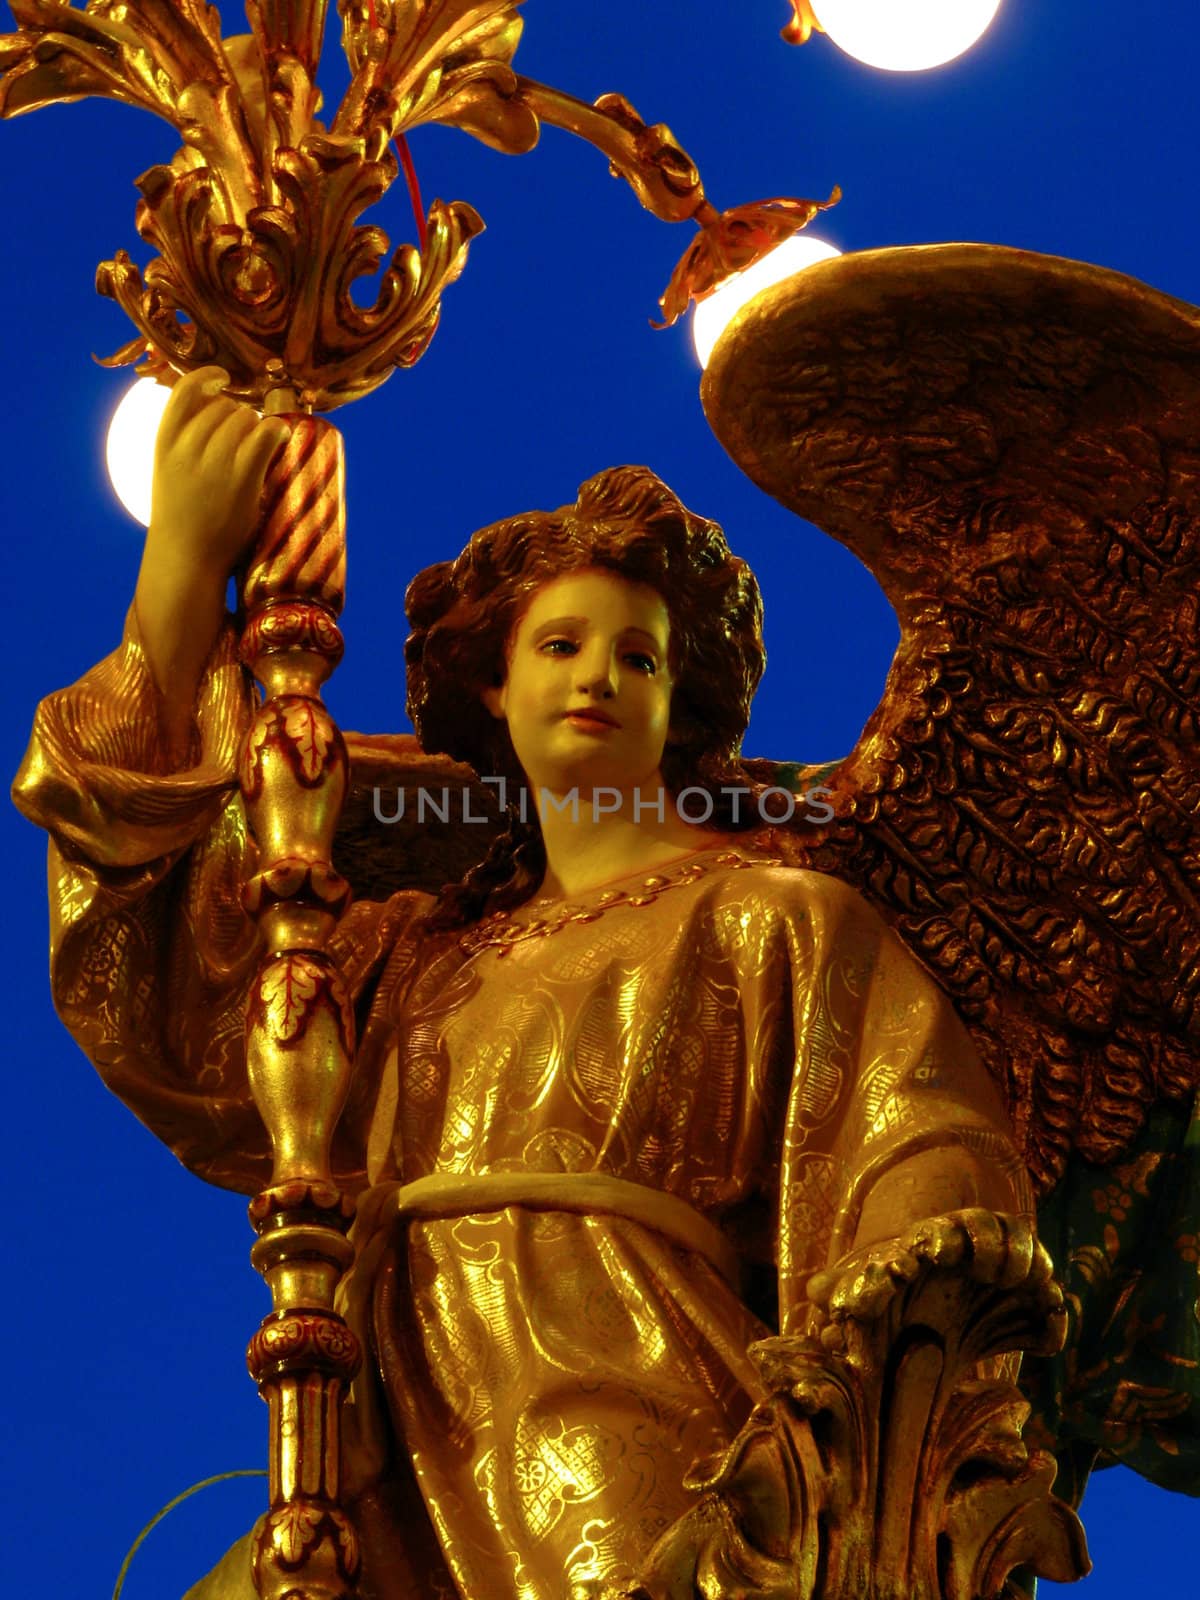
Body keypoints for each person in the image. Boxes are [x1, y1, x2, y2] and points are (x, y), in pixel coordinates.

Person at [14, 369, 1029, 1599]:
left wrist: (876, 1375)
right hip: (378, 1446)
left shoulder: (774, 915)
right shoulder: (403, 959)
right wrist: (176, 579)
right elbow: (179, 1001)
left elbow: (914, 1135)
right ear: (495, 682)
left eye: (639, 657)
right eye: (562, 644)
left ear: (678, 700)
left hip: (626, 1435)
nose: (599, 675)